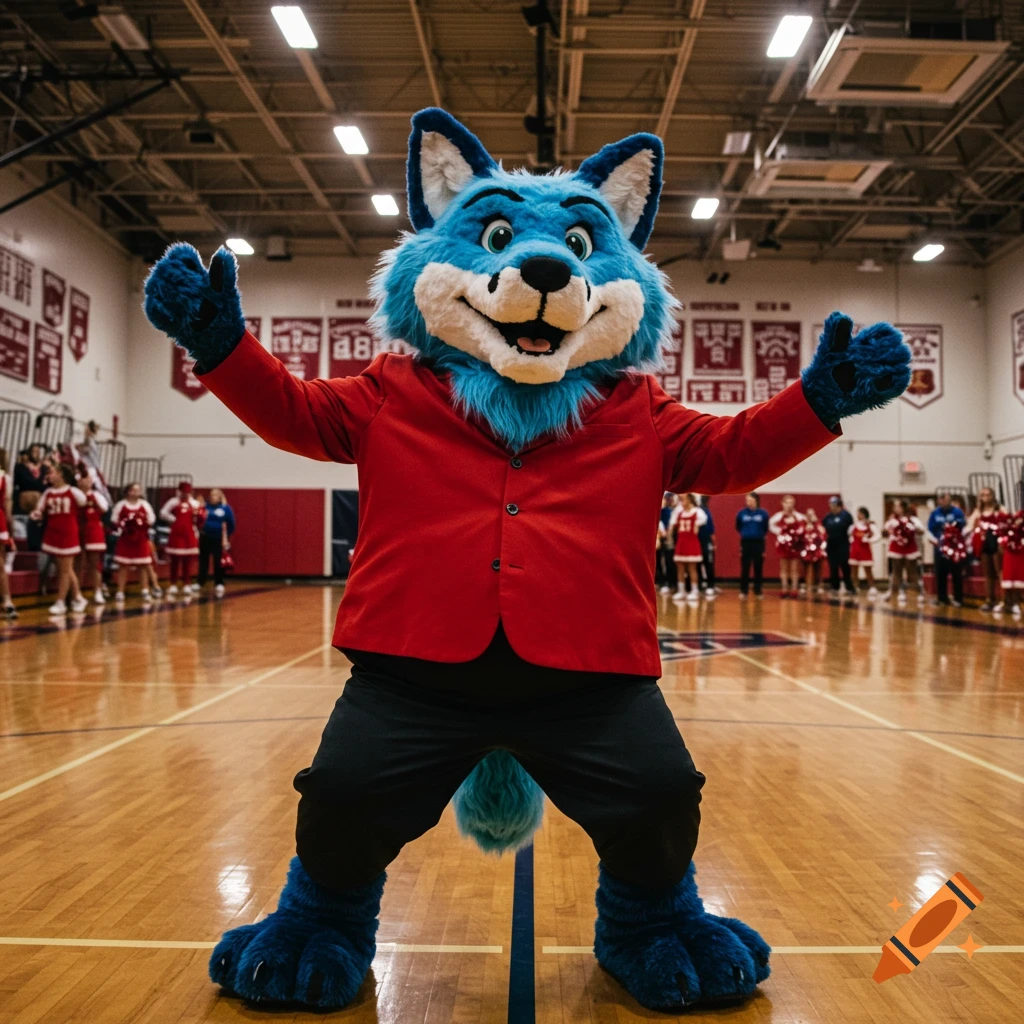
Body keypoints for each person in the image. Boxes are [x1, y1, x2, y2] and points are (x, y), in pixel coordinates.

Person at [142, 106, 911, 1013]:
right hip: (413, 669)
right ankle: (324, 922)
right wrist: (221, 349)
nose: (548, 270)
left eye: (583, 245)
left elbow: (733, 451)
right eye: (502, 236)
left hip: (588, 675)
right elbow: (298, 416)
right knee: (342, 800)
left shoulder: (638, 408)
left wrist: (818, 402)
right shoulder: (395, 391)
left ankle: (648, 924)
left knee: (662, 798)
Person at [30, 462, 88, 616]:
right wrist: (36, 514)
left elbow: (83, 502)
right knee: (65, 569)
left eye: (53, 472)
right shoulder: (48, 492)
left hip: (68, 532)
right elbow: (39, 509)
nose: (49, 475)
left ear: (62, 475)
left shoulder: (73, 491)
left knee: (64, 570)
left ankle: (60, 601)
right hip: (52, 532)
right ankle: (78, 597)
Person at [111, 482, 158, 603]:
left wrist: (141, 525)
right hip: (126, 539)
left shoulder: (144, 504)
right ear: (127, 492)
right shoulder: (121, 505)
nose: (136, 492)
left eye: (138, 490)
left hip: (141, 539)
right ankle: (120, 591)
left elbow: (151, 519)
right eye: (133, 490)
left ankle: (145, 590)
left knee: (143, 566)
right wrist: (124, 526)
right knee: (123, 566)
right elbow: (114, 519)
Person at [967, 487, 1007, 612]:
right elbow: (969, 525)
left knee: (999, 572)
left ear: (992, 495)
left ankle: (1004, 600)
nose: (986, 497)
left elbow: (1006, 522)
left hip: (996, 544)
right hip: (984, 544)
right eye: (983, 494)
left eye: (988, 494)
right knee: (987, 574)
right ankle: (990, 599)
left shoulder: (999, 509)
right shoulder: (978, 511)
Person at [161, 481, 202, 597]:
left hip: (189, 535)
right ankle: (173, 583)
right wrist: (174, 520)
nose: (185, 495)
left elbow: (199, 517)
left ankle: (187, 584)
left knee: (187, 561)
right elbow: (163, 513)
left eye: (187, 492)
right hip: (176, 534)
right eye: (183, 492)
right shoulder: (173, 502)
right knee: (174, 560)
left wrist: (196, 526)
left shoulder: (194, 504)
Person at [927, 490, 967, 606]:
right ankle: (942, 598)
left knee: (956, 573)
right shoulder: (935, 513)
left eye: (947, 499)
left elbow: (963, 526)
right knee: (940, 573)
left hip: (955, 548)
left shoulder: (957, 512)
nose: (945, 501)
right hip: (940, 548)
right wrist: (935, 541)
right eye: (942, 499)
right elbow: (930, 529)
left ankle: (958, 598)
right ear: (939, 501)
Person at [77, 469, 109, 605]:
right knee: (78, 564)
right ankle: (76, 594)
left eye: (88, 480)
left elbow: (104, 508)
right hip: (77, 530)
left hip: (94, 530)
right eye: (83, 479)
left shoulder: (97, 495)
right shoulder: (74, 494)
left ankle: (97, 591)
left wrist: (92, 500)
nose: (85, 482)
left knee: (94, 563)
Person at [883, 499, 924, 604]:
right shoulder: (892, 520)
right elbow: (884, 532)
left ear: (903, 508)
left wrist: (911, 527)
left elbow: (921, 531)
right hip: (896, 548)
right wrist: (889, 530)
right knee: (896, 571)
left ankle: (920, 592)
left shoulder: (913, 519)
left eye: (897, 506)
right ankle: (897, 592)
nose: (894, 508)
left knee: (912, 572)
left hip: (910, 548)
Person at [670, 492, 707, 603]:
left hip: (692, 543)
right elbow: (672, 524)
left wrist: (696, 525)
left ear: (690, 499)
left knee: (692, 568)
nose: (682, 502)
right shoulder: (679, 511)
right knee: (680, 567)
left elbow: (703, 520)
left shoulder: (697, 512)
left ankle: (694, 591)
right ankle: (682, 591)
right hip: (681, 543)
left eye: (684, 500)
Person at [199, 487, 235, 598]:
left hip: (218, 538)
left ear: (219, 497)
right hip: (205, 537)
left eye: (215, 495)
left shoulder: (225, 508)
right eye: (211, 495)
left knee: (218, 561)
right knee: (203, 560)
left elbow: (232, 523)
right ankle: (201, 581)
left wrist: (226, 536)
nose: (212, 497)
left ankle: (219, 582)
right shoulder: (205, 507)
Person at [769, 495, 805, 597]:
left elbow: (804, 525)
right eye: (787, 502)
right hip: (783, 545)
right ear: (783, 503)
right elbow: (770, 524)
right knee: (784, 567)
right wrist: (780, 532)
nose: (789, 505)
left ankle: (794, 588)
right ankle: (784, 588)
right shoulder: (778, 516)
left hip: (794, 545)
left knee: (794, 568)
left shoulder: (798, 516)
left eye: (791, 502)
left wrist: (797, 535)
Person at [735, 492, 769, 599]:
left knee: (758, 567)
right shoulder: (742, 513)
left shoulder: (763, 514)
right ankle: (743, 591)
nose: (749, 502)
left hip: (758, 542)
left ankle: (758, 590)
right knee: (745, 567)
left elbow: (765, 528)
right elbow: (738, 526)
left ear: (756, 501)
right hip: (746, 542)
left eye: (751, 500)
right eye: (747, 500)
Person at [822, 496, 854, 595]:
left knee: (845, 566)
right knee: (833, 567)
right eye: (830, 505)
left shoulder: (846, 515)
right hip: (832, 545)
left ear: (839, 505)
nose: (831, 507)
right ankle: (835, 587)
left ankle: (849, 587)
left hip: (843, 545)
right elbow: (824, 527)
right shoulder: (828, 516)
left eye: (833, 504)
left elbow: (850, 529)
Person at [848, 507, 881, 597]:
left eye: (860, 513)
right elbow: (850, 535)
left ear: (864, 514)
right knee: (854, 570)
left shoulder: (870, 525)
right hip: (855, 550)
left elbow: (878, 536)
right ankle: (855, 586)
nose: (858, 515)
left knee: (868, 570)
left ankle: (872, 587)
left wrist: (870, 540)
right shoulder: (854, 526)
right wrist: (851, 540)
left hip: (865, 550)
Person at [0, 448, 16, 618]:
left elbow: (7, 505)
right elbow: (7, 506)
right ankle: (7, 600)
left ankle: (7, 600)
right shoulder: (6, 478)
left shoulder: (4, 477)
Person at [999, 509, 1024, 618]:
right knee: (1008, 577)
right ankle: (1007, 602)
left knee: (1019, 579)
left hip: (1020, 555)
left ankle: (1017, 602)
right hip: (1009, 555)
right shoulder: (1009, 531)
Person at [799, 507, 828, 595]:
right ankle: (804, 584)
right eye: (808, 514)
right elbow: (799, 535)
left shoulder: (818, 525)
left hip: (817, 549)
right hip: (805, 549)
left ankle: (818, 585)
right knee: (804, 567)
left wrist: (816, 524)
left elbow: (823, 535)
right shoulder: (802, 525)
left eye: (811, 514)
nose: (810, 516)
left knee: (818, 567)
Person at [13, 443, 46, 515]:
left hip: (39, 500)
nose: (36, 454)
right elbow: (16, 483)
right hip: (24, 500)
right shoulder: (21, 468)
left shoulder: (44, 468)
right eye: (34, 451)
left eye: (38, 452)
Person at [656, 492, 678, 595]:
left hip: (670, 540)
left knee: (670, 563)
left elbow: (671, 528)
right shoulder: (657, 512)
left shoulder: (669, 512)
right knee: (659, 563)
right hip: (659, 541)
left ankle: (672, 584)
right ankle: (662, 582)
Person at [697, 496, 716, 597]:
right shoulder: (698, 511)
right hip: (697, 540)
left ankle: (710, 586)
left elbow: (711, 529)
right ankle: (700, 585)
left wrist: (713, 543)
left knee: (708, 563)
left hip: (706, 541)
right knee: (698, 563)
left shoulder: (707, 512)